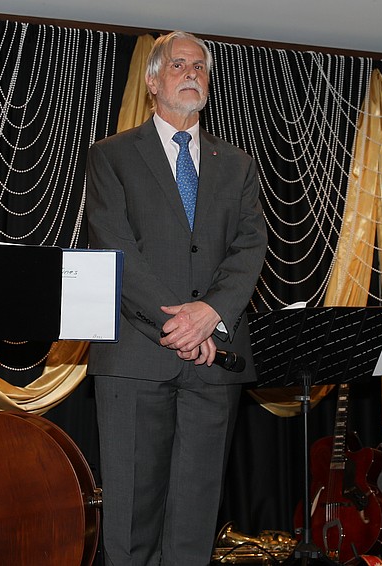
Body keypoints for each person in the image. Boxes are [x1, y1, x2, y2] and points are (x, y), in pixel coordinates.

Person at [85, 31, 267, 566]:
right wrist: (183, 326)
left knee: (193, 527)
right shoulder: (111, 156)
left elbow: (251, 246)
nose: (192, 73)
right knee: (131, 526)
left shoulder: (236, 163)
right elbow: (117, 251)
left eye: (200, 67)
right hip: (137, 360)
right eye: (179, 65)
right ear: (152, 81)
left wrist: (211, 313)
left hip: (215, 364)